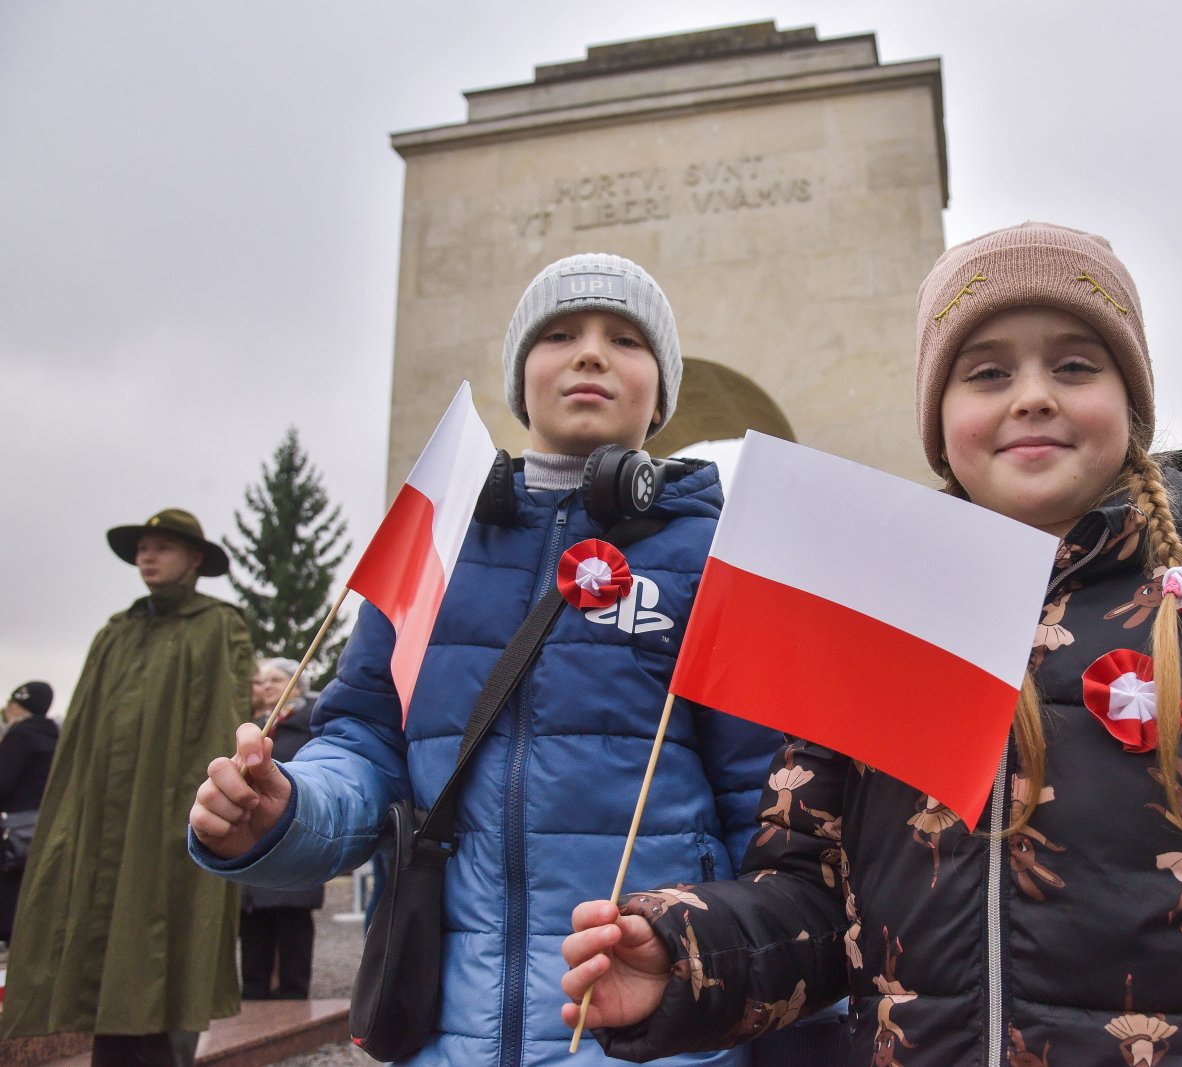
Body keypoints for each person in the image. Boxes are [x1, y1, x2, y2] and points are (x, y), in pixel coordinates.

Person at [560, 223, 1182, 1065]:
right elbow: (814, 904)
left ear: (1132, 406)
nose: (1030, 397)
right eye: (986, 372)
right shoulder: (876, 625)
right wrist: (686, 957)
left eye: (1073, 365)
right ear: (939, 424)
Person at [188, 253, 785, 1065]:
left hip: (657, 1032)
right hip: (448, 1031)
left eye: (626, 338)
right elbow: (364, 743)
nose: (589, 353)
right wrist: (289, 810)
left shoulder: (717, 555)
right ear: (519, 375)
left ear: (663, 389)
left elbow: (765, 805)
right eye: (559, 333)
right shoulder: (434, 545)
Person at [0, 510, 254, 1067]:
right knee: (92, 939)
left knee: (157, 943)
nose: (147, 555)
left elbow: (225, 721)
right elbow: (82, 742)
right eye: (142, 547)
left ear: (194, 560)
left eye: (163, 546)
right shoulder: (114, 633)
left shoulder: (218, 626)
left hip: (164, 818)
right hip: (101, 822)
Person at [237, 657, 324, 1000]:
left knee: (292, 915)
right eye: (260, 681)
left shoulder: (308, 725)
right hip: (252, 830)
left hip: (294, 828)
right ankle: (254, 991)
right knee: (254, 917)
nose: (266, 686)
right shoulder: (249, 727)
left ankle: (292, 992)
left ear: (296, 685)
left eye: (275, 679)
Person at [0, 680, 57, 943]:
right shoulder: (54, 734)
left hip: (12, 827)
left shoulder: (20, 736)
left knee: (8, 888)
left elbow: (4, 782)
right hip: (42, 825)